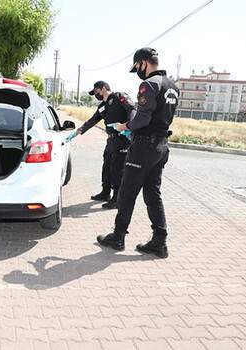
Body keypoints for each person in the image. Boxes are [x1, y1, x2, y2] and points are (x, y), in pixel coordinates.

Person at [97, 48, 179, 258]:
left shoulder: (149, 84)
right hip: (161, 147)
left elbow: (142, 118)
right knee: (153, 193)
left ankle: (118, 236)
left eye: (137, 67)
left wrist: (125, 126)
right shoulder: (172, 86)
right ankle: (159, 241)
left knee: (127, 191)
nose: (138, 72)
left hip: (144, 147)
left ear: (143, 63)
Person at [77, 81, 135, 209]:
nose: (95, 95)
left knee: (117, 169)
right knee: (107, 167)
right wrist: (81, 129)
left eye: (96, 91)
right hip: (111, 140)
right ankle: (105, 193)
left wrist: (129, 126)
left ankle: (117, 198)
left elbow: (132, 109)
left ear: (103, 89)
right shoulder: (103, 106)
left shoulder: (119, 96)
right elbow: (94, 119)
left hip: (122, 139)